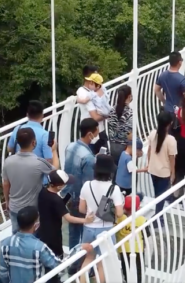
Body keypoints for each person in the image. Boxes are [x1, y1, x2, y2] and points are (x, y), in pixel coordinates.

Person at [0, 206, 93, 283]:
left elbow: (3, 273)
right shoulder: (39, 247)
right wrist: (79, 247)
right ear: (35, 225)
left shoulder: (5, 243)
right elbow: (60, 268)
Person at [37, 170, 95, 283]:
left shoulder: (42, 192)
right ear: (59, 186)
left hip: (43, 231)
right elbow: (68, 218)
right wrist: (86, 220)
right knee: (54, 263)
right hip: (53, 236)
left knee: (46, 260)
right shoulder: (56, 200)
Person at [2, 128, 58, 234]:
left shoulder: (8, 161)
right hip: (32, 210)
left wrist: (7, 201)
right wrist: (54, 150)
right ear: (34, 142)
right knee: (33, 237)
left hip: (14, 207)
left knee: (16, 235)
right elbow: (55, 173)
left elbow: (6, 184)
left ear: (18, 142)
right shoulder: (39, 163)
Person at [79, 154, 124, 282]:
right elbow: (120, 213)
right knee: (103, 262)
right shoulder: (114, 189)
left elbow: (82, 209)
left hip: (88, 227)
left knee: (88, 258)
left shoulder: (87, 185)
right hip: (106, 229)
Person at [62, 118, 98, 254]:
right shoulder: (89, 158)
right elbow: (88, 183)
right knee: (84, 229)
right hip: (79, 197)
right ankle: (81, 260)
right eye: (96, 133)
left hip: (68, 194)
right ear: (90, 134)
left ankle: (72, 258)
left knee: (73, 230)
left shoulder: (69, 146)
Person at [7, 100, 54, 184]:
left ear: (27, 115)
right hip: (38, 181)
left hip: (19, 176)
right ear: (42, 116)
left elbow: (9, 149)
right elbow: (49, 160)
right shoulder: (45, 135)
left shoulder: (18, 129)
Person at [146, 110, 178, 218]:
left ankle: (157, 215)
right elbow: (172, 158)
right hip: (164, 172)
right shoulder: (171, 140)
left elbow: (149, 151)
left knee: (157, 194)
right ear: (170, 123)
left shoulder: (152, 133)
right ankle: (157, 218)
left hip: (153, 169)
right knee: (161, 196)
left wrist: (148, 164)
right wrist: (173, 173)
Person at [154, 51, 185, 134]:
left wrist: (164, 101)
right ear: (179, 62)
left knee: (166, 133)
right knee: (178, 135)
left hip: (167, 109)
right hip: (179, 113)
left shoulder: (162, 75)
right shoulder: (183, 80)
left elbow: (156, 89)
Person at [76, 66, 108, 154]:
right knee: (94, 161)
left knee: (104, 159)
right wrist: (107, 115)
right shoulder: (83, 92)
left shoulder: (95, 90)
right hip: (91, 135)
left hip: (100, 131)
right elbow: (95, 117)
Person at [116, 195, 147, 283]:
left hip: (123, 249)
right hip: (138, 248)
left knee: (126, 269)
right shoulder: (142, 219)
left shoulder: (120, 218)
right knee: (139, 270)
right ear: (138, 207)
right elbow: (146, 235)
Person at [107, 85, 133, 164]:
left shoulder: (111, 110)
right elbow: (130, 135)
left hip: (112, 146)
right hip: (124, 148)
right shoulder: (130, 112)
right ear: (129, 96)